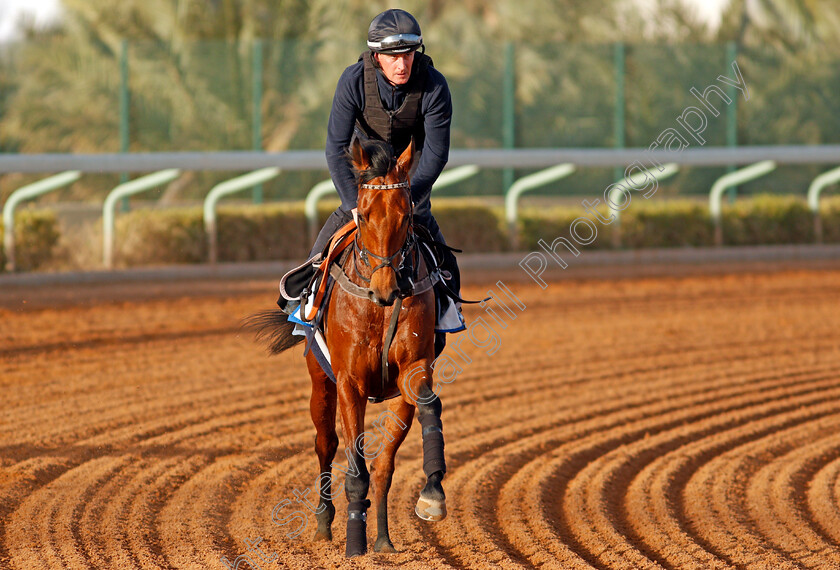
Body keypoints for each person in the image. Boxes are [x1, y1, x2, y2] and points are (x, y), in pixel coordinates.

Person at [280, 8, 463, 355]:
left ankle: (446, 309)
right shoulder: (352, 80)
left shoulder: (435, 86)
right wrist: (353, 204)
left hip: (411, 181)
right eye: (393, 56)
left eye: (408, 55)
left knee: (446, 264)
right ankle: (304, 306)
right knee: (320, 253)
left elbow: (437, 154)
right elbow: (336, 149)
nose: (402, 64)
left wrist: (407, 199)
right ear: (377, 56)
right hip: (364, 182)